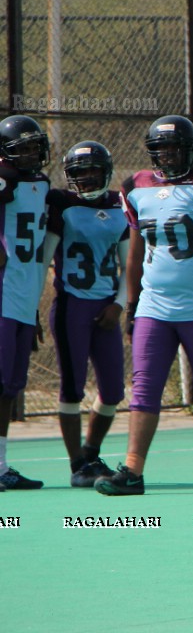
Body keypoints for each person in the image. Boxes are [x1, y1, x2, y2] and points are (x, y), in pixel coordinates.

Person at [96, 115, 193, 496]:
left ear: (191, 149)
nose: (169, 155)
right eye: (162, 149)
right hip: (154, 307)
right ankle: (132, 470)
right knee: (144, 386)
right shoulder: (137, 187)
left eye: (175, 147)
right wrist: (132, 304)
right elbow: (134, 256)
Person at [45, 141, 128, 487]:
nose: (89, 178)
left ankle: (91, 452)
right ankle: (77, 464)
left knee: (113, 390)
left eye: (94, 171)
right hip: (71, 304)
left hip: (106, 305)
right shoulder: (62, 204)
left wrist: (119, 304)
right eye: (81, 172)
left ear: (106, 172)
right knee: (72, 387)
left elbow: (130, 265)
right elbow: (43, 258)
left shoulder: (118, 205)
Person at [0, 114, 52, 491]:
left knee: (9, 387)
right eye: (23, 148)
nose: (32, 154)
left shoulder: (40, 183)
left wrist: (32, 308)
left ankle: (1, 465)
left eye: (35, 146)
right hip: (3, 295)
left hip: (21, 296)